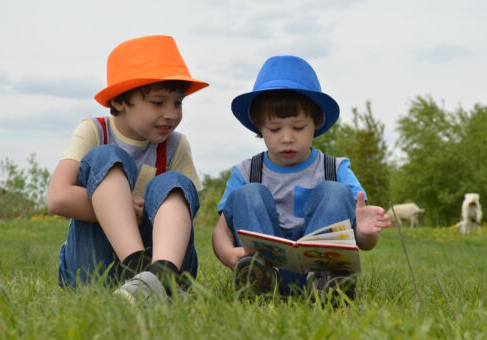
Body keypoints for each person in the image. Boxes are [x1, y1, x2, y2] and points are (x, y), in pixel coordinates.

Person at [46, 35, 208, 302]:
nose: (171, 113)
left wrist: (155, 210)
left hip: (164, 258)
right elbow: (58, 197)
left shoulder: (176, 145)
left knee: (174, 183)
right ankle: (141, 272)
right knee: (105, 157)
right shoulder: (95, 131)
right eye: (158, 102)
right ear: (120, 101)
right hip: (95, 267)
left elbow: (186, 208)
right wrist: (120, 209)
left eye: (178, 103)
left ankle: (161, 275)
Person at [212, 55, 391, 296]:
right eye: (274, 129)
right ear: (259, 127)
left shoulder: (335, 169)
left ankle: (326, 284)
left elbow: (363, 241)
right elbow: (221, 230)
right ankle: (259, 281)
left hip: (320, 267)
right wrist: (228, 254)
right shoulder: (246, 172)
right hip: (266, 266)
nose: (287, 138)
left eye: (298, 128)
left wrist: (364, 234)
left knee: (335, 191)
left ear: (316, 123)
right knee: (248, 194)